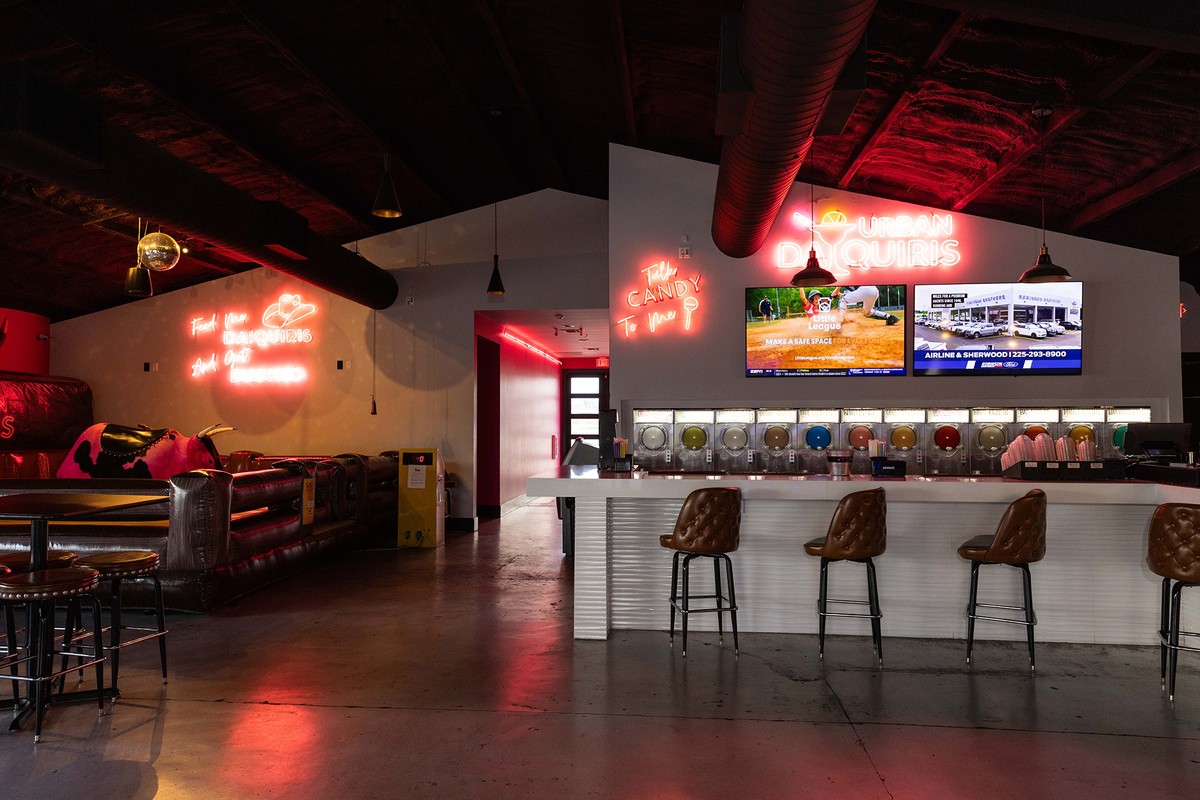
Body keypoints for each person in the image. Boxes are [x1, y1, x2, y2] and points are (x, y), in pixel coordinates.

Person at [832, 285, 899, 325]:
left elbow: (834, 294)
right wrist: (842, 294)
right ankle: (890, 317)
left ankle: (840, 321)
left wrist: (834, 294)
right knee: (867, 312)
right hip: (874, 291)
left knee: (843, 300)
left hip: (864, 290)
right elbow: (856, 292)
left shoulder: (843, 277)